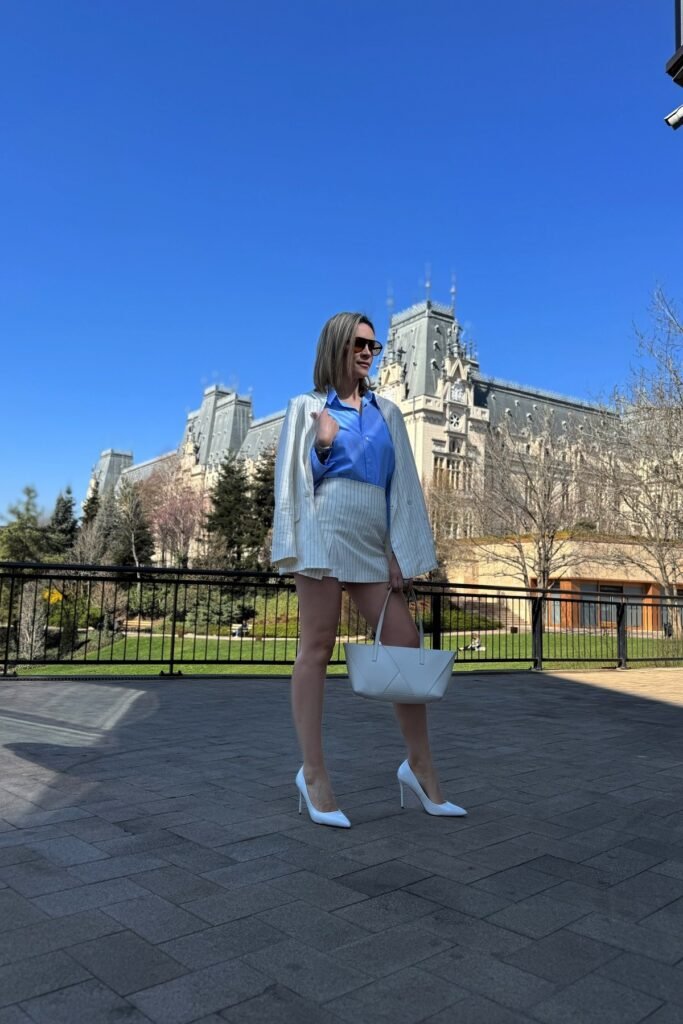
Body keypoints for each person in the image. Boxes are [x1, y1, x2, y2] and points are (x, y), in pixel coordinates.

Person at [271, 311, 467, 828]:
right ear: (336, 344)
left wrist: (397, 550)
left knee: (404, 641)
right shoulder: (306, 407)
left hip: (370, 542)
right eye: (359, 343)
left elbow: (399, 488)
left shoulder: (388, 414)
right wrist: (323, 444)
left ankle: (419, 765)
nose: (368, 352)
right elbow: (293, 481)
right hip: (322, 532)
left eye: (374, 346)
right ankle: (313, 774)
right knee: (316, 647)